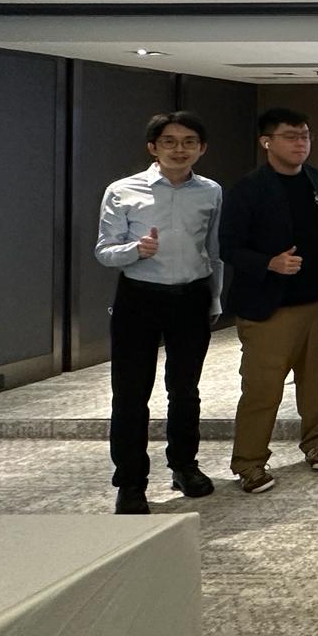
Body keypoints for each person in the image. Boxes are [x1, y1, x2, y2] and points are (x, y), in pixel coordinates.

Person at [94, 111, 224, 514]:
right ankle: (130, 482)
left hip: (192, 298)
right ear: (153, 147)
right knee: (130, 394)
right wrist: (135, 250)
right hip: (139, 298)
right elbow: (104, 250)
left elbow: (214, 251)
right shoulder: (122, 190)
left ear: (201, 148)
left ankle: (184, 466)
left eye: (189, 142)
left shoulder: (211, 192)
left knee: (185, 390)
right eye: (169, 141)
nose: (179, 149)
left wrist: (215, 299)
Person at [220, 108, 318, 494]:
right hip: (270, 308)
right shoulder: (248, 189)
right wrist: (268, 263)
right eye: (290, 136)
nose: (300, 143)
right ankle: (249, 462)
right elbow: (228, 247)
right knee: (263, 389)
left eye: (305, 135)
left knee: (317, 383)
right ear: (267, 142)